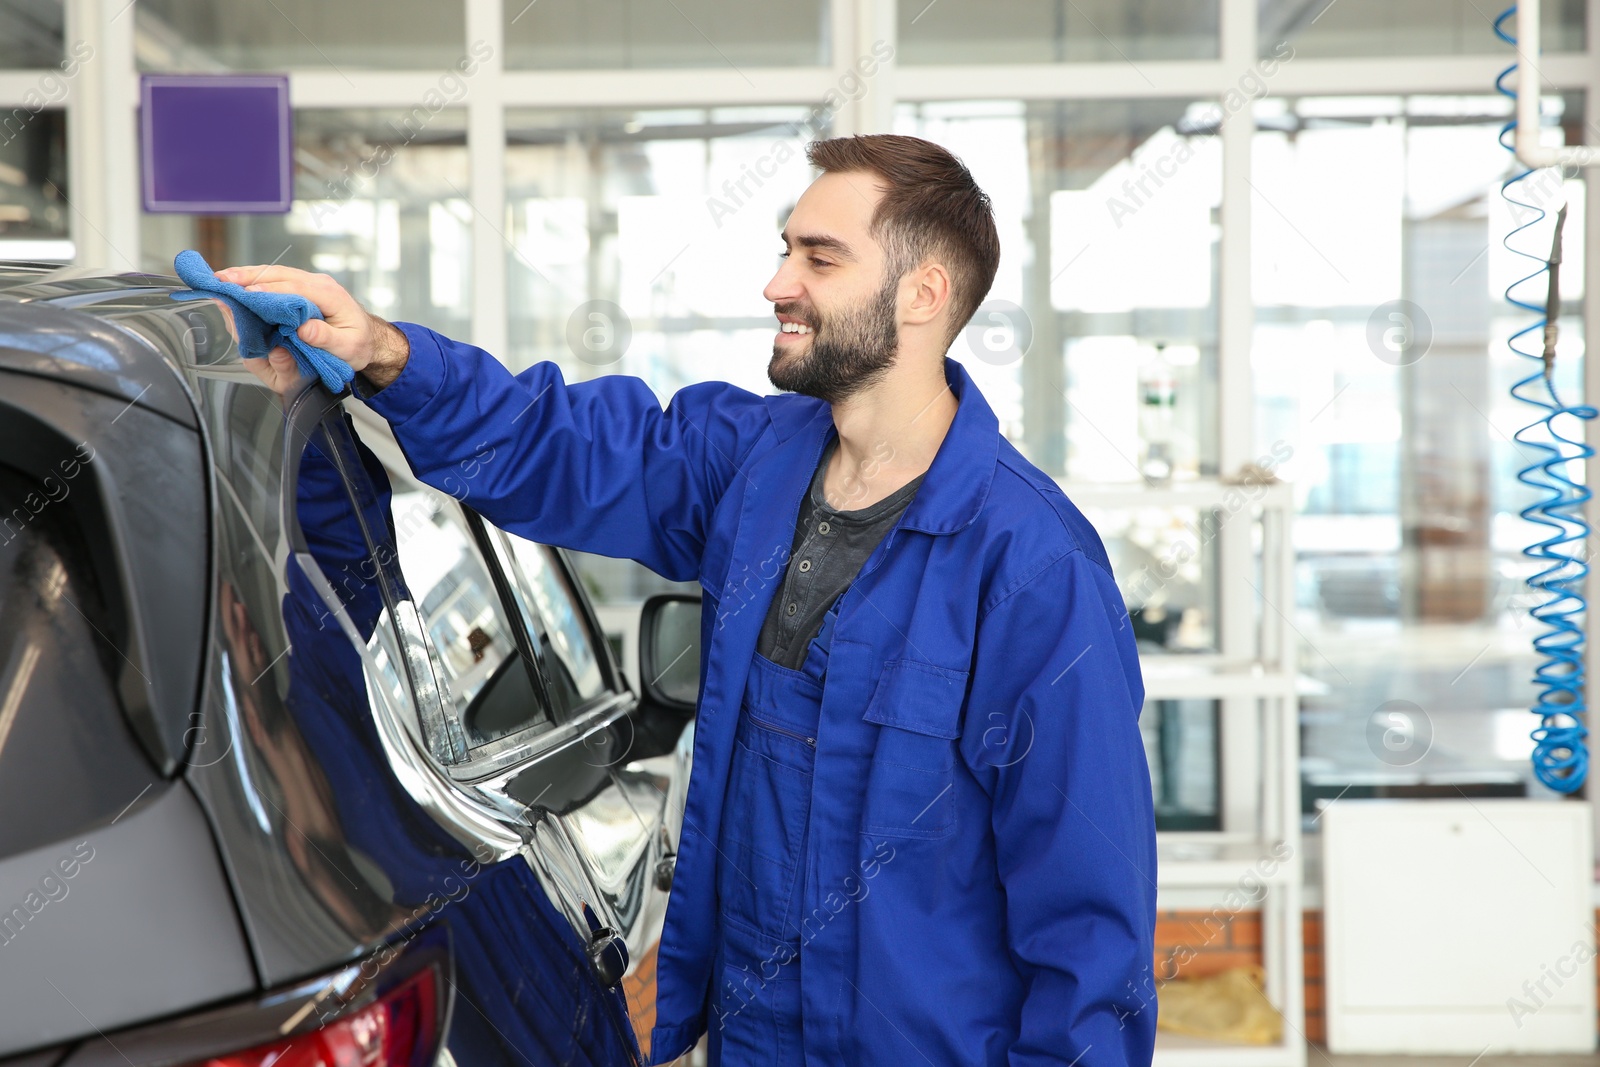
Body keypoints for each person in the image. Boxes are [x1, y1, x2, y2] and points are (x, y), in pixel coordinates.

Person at [218, 133, 1157, 1066]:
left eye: (819, 257)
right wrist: (384, 351)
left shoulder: (1035, 570)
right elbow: (556, 443)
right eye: (786, 249)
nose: (778, 283)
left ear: (923, 295)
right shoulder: (751, 464)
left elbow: (1090, 939)